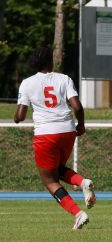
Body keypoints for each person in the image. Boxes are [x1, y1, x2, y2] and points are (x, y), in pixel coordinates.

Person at [14, 47, 96, 230]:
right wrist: (80, 125)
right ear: (49, 62)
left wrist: (16, 118)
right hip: (67, 131)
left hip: (45, 134)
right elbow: (77, 107)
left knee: (49, 181)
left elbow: (20, 116)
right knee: (57, 170)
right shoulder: (64, 79)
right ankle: (83, 182)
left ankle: (78, 213)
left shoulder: (27, 83)